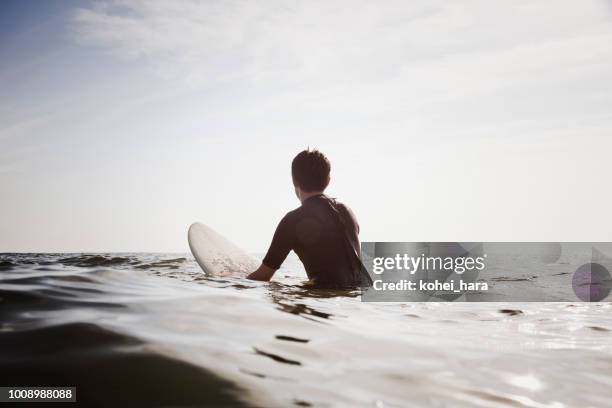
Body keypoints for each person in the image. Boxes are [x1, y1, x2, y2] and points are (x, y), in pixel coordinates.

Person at [247, 149, 373, 288]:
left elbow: (263, 276)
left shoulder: (292, 220)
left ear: (294, 181)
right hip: (361, 295)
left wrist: (229, 282)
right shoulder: (347, 212)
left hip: (326, 298)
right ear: (328, 180)